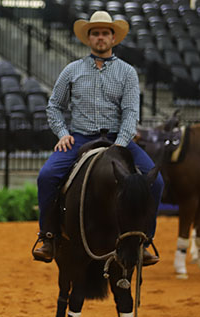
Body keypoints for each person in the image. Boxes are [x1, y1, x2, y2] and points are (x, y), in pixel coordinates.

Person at [32, 11, 164, 265]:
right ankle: (48, 236)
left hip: (119, 138)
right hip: (80, 138)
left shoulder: (128, 73)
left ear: (113, 38)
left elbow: (130, 113)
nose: (100, 37)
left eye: (105, 33)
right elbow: (53, 106)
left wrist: (120, 144)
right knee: (46, 176)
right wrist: (62, 133)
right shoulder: (72, 70)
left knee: (155, 182)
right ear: (88, 39)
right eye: (95, 33)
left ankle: (144, 241)